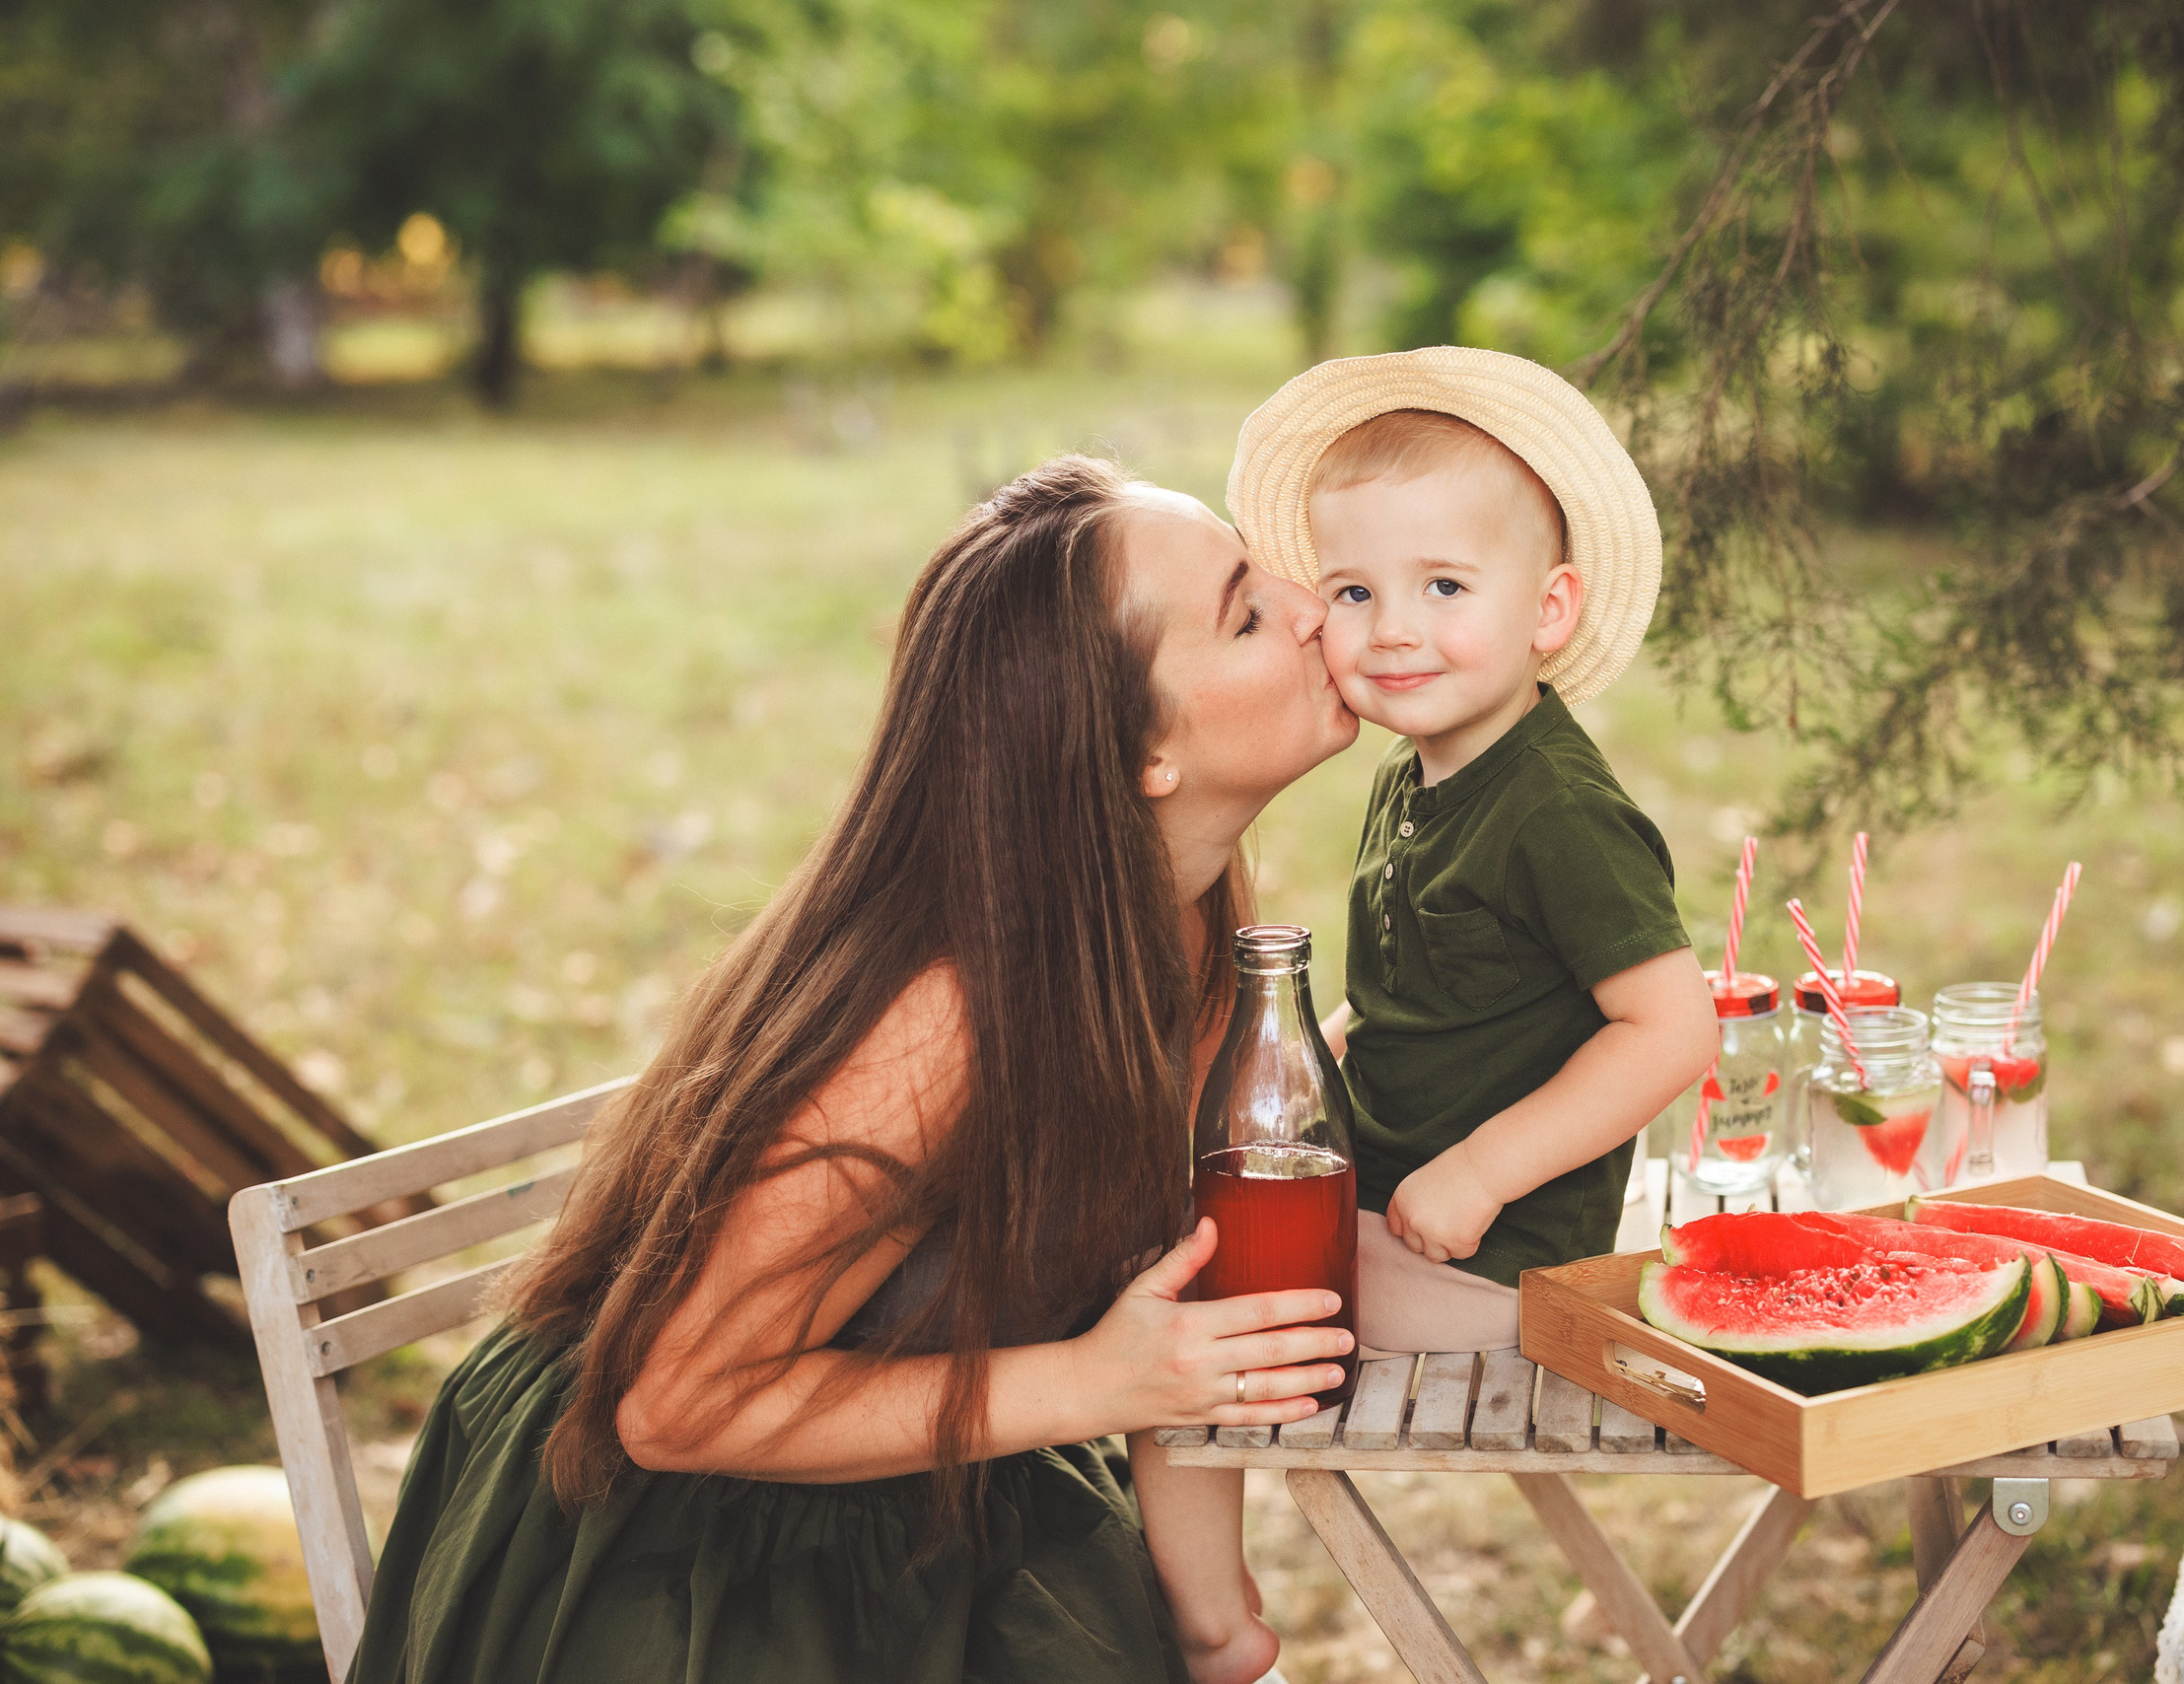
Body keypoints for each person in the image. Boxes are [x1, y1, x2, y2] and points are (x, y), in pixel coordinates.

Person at [347, 456, 1361, 1684]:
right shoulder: (944, 1026)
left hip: (919, 1475)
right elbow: (673, 1409)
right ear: (1141, 753)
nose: (1316, 606)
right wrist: (1092, 1380)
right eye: (1247, 611)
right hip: (682, 1553)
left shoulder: (1185, 928)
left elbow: (1169, 1270)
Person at [1135, 347, 1723, 1675]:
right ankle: (1181, 1597)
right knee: (1170, 1240)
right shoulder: (1427, 772)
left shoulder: (1558, 813)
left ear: (1549, 609)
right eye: (1354, 591)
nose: (1392, 628)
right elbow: (1428, 994)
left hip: (1497, 1264)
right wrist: (1329, 1053)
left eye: (1444, 588)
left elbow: (1674, 1029)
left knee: (1181, 1309)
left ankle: (1209, 1629)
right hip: (1397, 1200)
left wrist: (1478, 1170)